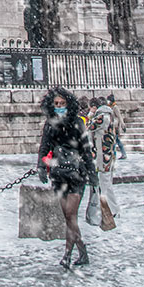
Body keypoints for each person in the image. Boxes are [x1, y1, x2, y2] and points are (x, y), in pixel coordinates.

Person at [37, 87, 98, 269]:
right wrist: (41, 166)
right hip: (58, 174)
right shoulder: (50, 124)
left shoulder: (78, 123)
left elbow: (86, 150)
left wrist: (92, 174)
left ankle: (67, 255)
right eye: (56, 104)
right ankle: (82, 251)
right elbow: (44, 146)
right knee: (68, 218)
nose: (59, 107)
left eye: (62, 104)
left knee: (71, 215)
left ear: (69, 104)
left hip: (76, 174)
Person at [86, 95, 120, 222]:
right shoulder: (109, 115)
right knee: (106, 183)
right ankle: (112, 208)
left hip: (103, 155)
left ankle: (112, 209)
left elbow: (89, 126)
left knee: (104, 184)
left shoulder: (102, 117)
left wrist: (90, 114)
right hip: (108, 154)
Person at [108, 92, 127, 160]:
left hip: (115, 127)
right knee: (116, 141)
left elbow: (119, 117)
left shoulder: (115, 107)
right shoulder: (110, 107)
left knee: (115, 141)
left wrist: (122, 125)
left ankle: (115, 155)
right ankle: (122, 154)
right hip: (112, 126)